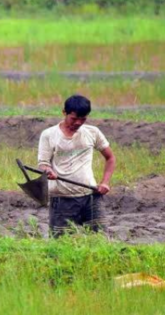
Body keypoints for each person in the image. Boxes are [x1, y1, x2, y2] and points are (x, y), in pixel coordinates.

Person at [37, 95, 116, 237]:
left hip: (91, 197)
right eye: (74, 119)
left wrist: (105, 183)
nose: (78, 123)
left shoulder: (93, 132)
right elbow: (43, 164)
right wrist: (48, 171)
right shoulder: (49, 135)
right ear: (64, 113)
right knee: (61, 244)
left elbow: (110, 158)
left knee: (101, 240)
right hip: (61, 199)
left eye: (83, 119)